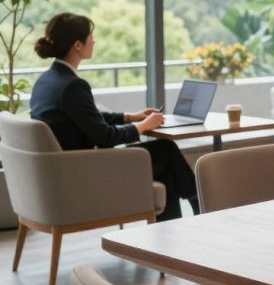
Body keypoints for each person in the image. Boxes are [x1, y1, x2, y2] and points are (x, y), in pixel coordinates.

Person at [29, 12, 198, 222]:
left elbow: (87, 118)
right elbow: (105, 137)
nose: (94, 40)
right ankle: (199, 203)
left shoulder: (47, 81)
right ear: (78, 45)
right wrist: (143, 126)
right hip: (86, 172)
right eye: (90, 36)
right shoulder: (72, 86)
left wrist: (129, 117)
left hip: (66, 171)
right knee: (165, 149)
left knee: (164, 171)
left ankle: (172, 233)